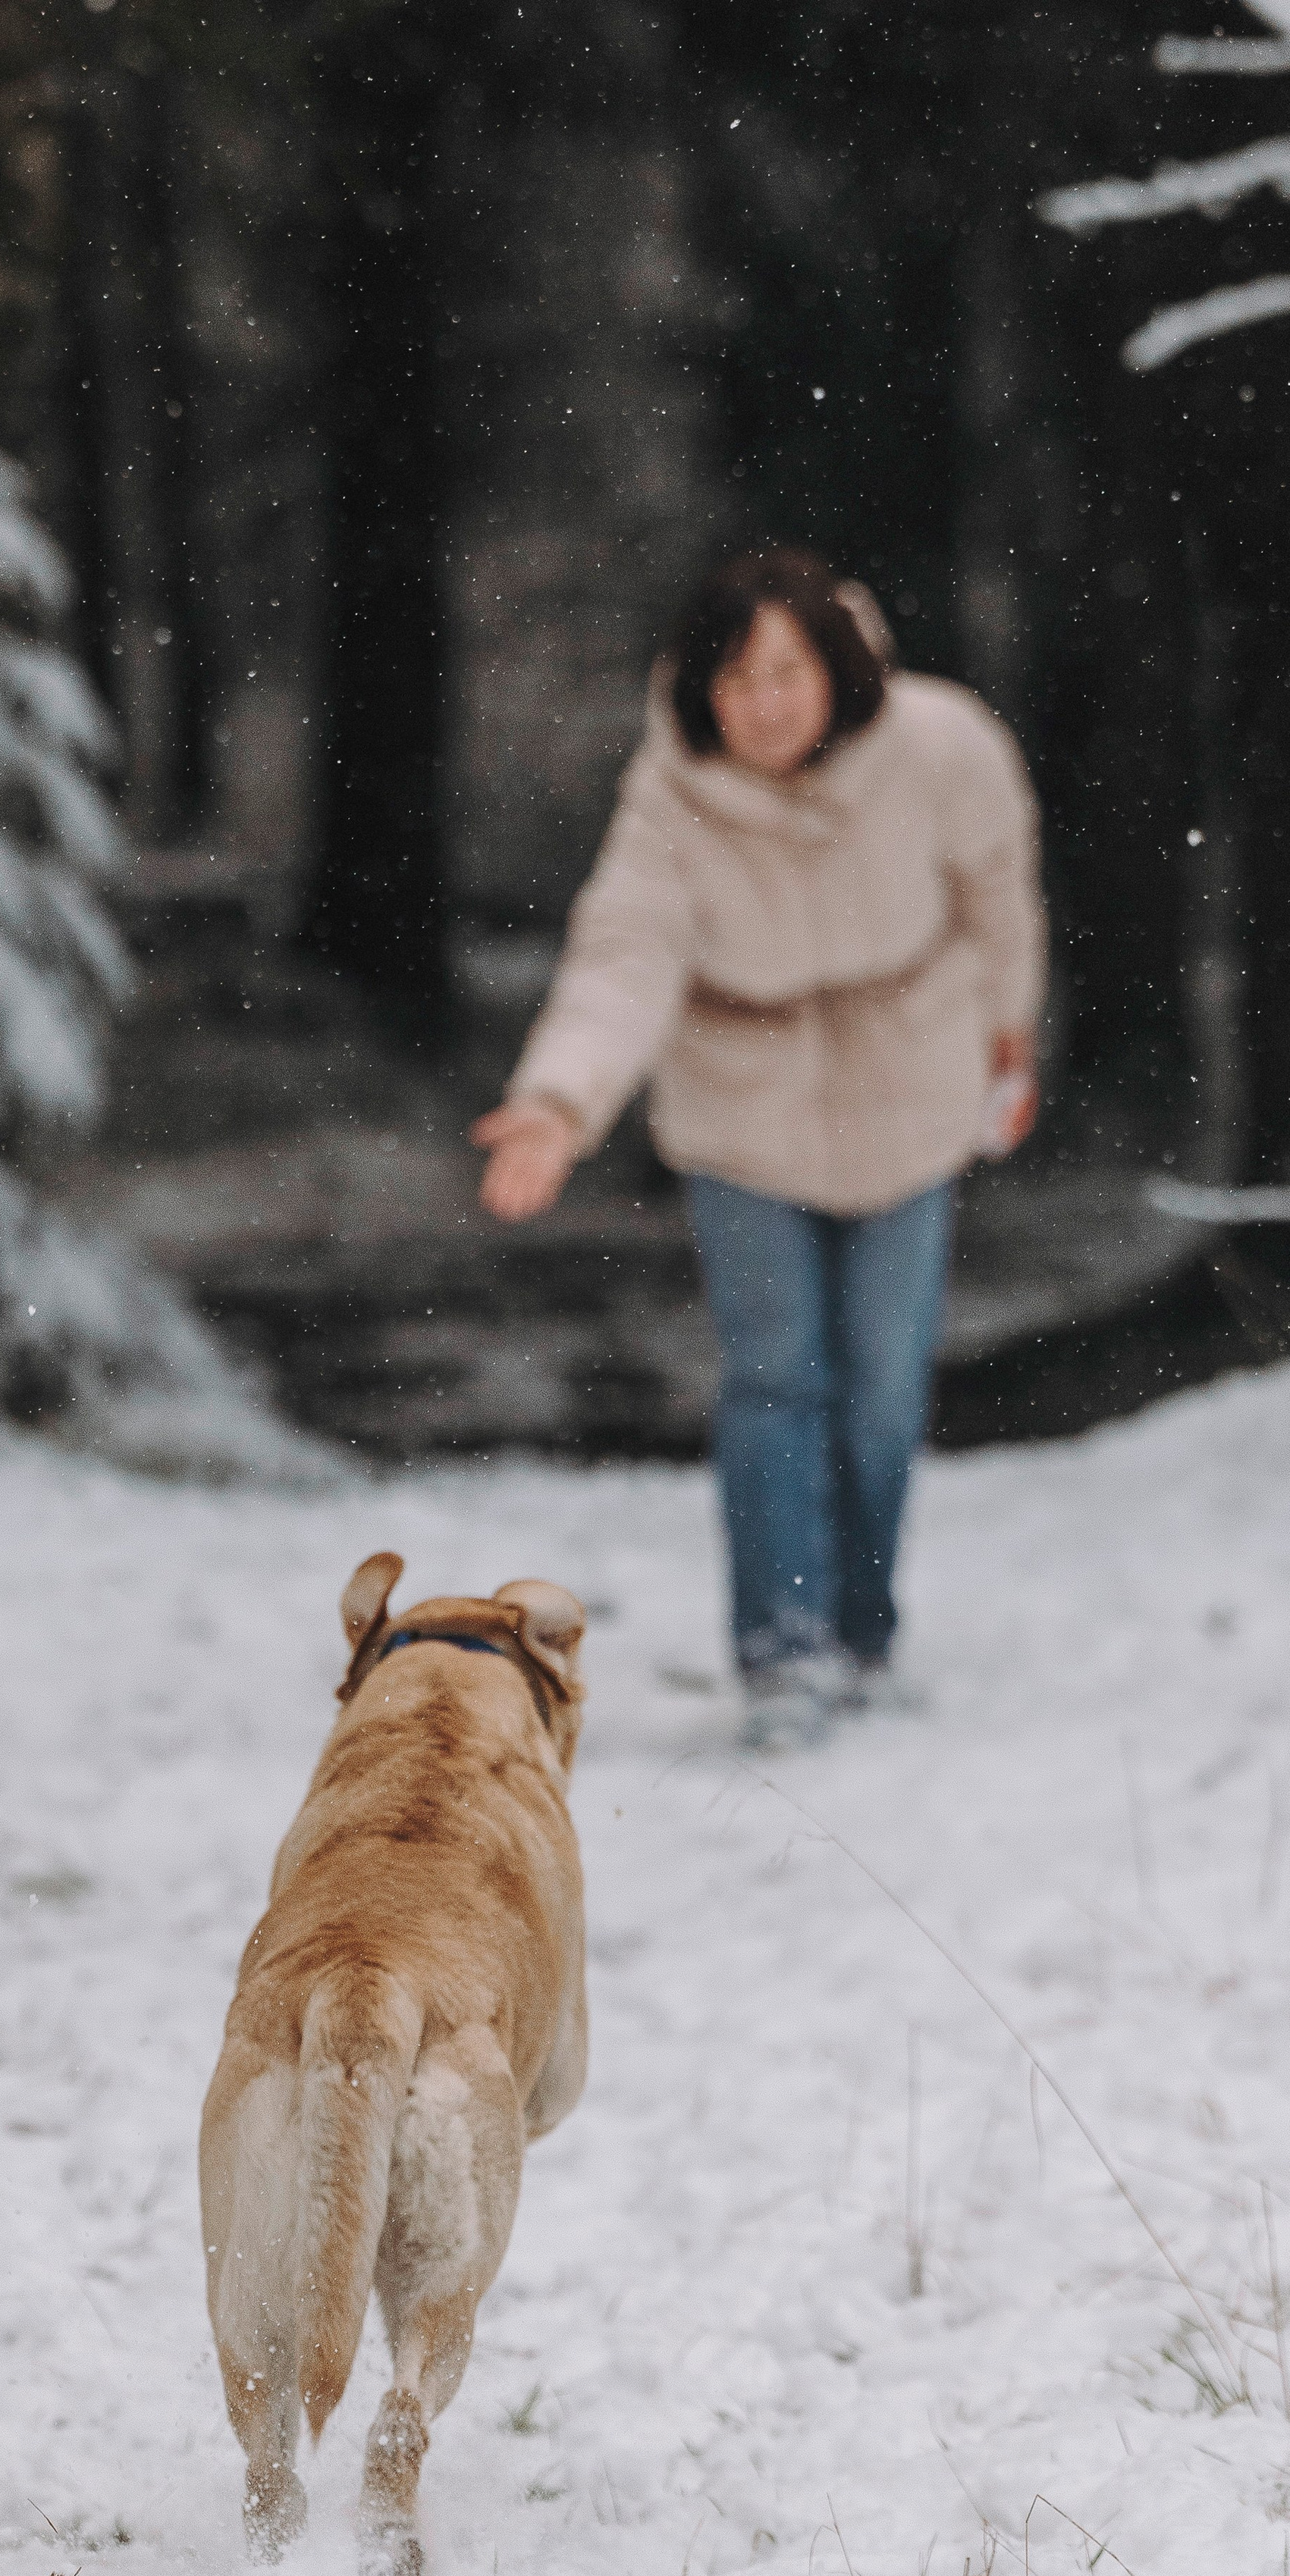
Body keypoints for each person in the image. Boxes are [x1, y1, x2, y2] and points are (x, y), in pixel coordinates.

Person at [471, 547, 1045, 1750]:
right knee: (779, 1377)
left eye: (785, 673)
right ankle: (785, 1650)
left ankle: (862, 1628)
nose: (763, 703)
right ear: (701, 691)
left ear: (834, 671)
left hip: (912, 1086)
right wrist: (559, 1101)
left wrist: (1010, 1036)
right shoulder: (670, 793)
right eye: (735, 680)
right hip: (743, 1108)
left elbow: (1000, 895)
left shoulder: (943, 747)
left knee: (883, 1388)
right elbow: (622, 957)